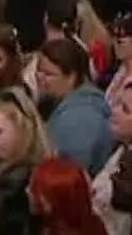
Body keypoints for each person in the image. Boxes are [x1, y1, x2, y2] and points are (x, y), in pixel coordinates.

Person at [37, 37, 115, 175]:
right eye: (39, 70)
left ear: (71, 77)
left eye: (48, 74)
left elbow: (67, 175)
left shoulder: (77, 120)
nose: (39, 77)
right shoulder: (67, 105)